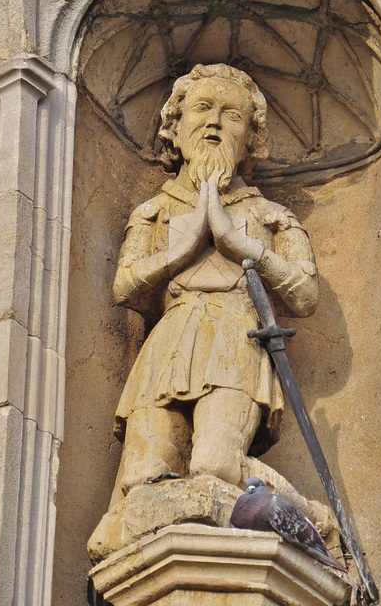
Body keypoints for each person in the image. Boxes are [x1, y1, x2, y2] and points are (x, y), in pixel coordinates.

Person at [112, 63, 318, 495]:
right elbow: (124, 287)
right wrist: (179, 253)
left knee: (216, 464)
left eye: (231, 115)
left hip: (235, 338)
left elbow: (305, 294)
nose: (214, 122)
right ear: (176, 124)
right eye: (202, 108)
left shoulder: (271, 215)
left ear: (250, 137)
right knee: (140, 479)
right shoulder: (153, 211)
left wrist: (238, 243)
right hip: (167, 346)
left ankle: (310, 521)